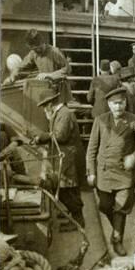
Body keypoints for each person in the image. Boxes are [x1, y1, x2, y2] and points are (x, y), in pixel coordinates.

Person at [86, 87, 135, 256]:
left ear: (125, 103)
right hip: (104, 172)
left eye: (121, 103)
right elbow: (92, 148)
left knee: (121, 207)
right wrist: (91, 172)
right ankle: (116, 229)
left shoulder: (134, 122)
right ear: (109, 105)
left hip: (124, 173)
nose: (119, 107)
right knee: (104, 206)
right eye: (115, 104)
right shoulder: (100, 121)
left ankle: (117, 238)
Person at [33, 89, 86, 227]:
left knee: (67, 190)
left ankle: (78, 221)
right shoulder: (60, 113)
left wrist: (41, 137)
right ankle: (75, 218)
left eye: (45, 106)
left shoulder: (64, 114)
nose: (44, 109)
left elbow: (60, 136)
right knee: (66, 189)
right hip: (66, 157)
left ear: (50, 104)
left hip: (69, 158)